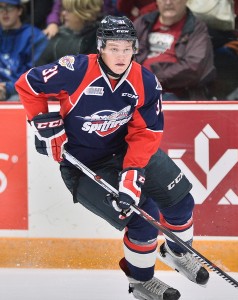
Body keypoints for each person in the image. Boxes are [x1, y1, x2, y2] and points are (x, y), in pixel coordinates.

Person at [15, 15, 209, 300]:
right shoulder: (76, 70)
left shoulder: (144, 81)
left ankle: (178, 252)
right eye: (114, 48)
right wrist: (45, 123)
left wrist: (132, 173)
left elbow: (146, 132)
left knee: (181, 200)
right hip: (84, 167)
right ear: (101, 47)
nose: (121, 55)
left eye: (127, 48)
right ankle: (141, 281)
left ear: (135, 48)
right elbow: (27, 85)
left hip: (127, 151)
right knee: (144, 218)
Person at [133, 0, 216, 100]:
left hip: (174, 93)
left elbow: (194, 67)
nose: (168, 3)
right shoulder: (143, 23)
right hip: (135, 89)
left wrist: (152, 77)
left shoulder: (196, 28)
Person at [0, 0, 48, 101]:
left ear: (19, 10)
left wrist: (7, 88)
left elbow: (35, 76)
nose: (4, 12)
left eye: (9, 7)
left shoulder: (35, 37)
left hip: (19, 92)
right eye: (0, 7)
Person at [36, 0, 103, 66]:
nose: (63, 13)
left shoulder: (100, 40)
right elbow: (38, 69)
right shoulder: (58, 36)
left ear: (83, 12)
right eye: (63, 9)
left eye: (68, 10)